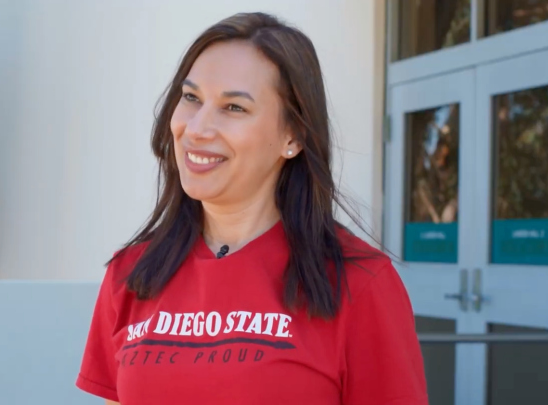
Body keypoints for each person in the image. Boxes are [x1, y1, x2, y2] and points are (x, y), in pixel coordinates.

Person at [76, 12, 428, 405]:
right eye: (191, 98)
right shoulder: (131, 274)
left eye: (234, 108)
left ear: (292, 136)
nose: (197, 129)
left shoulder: (359, 283)